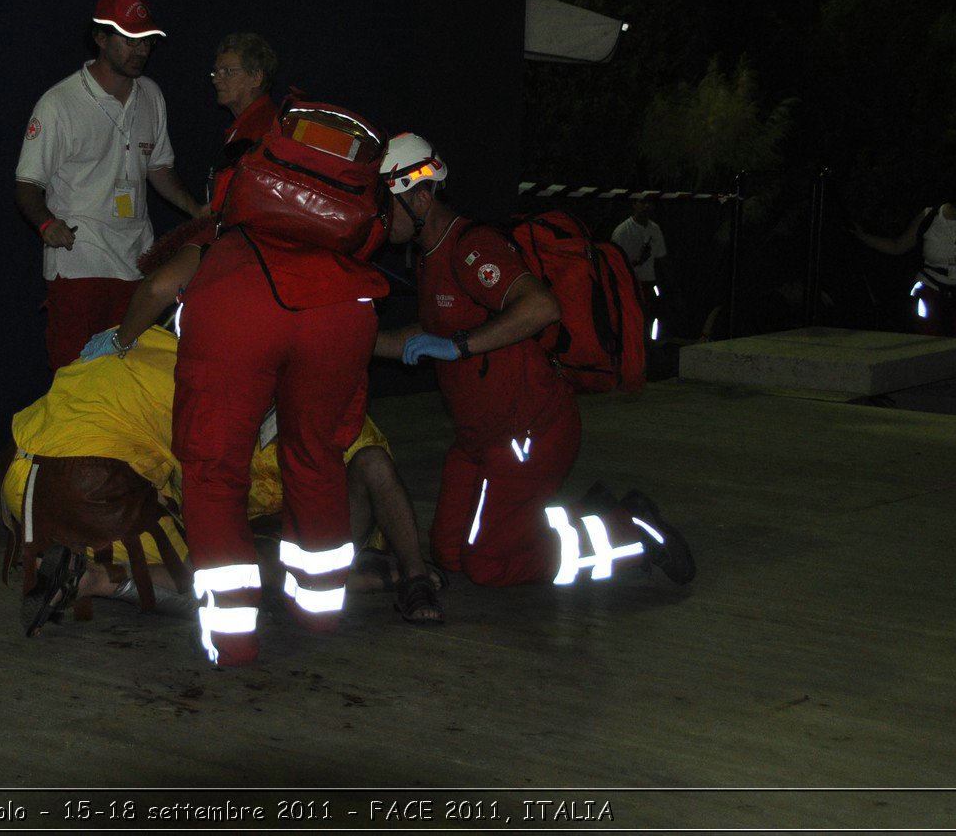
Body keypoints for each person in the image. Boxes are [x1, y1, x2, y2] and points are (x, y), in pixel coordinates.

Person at [374, 133, 694, 590]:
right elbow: (425, 334)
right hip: (478, 438)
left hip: (527, 432)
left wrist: (460, 345)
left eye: (386, 203)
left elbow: (541, 307)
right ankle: (579, 514)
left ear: (422, 197)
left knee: (488, 565)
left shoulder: (472, 248)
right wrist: (355, 339)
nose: (378, 216)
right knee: (447, 554)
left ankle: (631, 530)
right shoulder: (428, 255)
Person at [80, 231, 442, 624]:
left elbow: (367, 349)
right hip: (255, 526)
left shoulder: (312, 304)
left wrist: (460, 338)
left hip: (319, 520)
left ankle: (412, 575)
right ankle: (104, 579)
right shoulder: (196, 368)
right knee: (235, 562)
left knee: (370, 461)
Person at [172, 101, 391, 666]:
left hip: (241, 293)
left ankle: (233, 637)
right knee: (316, 456)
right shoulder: (330, 147)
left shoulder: (255, 137)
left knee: (214, 467)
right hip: (342, 305)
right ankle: (318, 613)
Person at [14, 0, 204, 370]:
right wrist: (47, 223)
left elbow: (159, 167)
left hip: (137, 262)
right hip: (80, 263)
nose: (141, 50)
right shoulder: (59, 103)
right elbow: (27, 183)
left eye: (146, 41)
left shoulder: (151, 95)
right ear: (100, 38)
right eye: (130, 40)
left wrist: (194, 208)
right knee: (76, 378)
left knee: (128, 380)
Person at [852, 179, 956, 341]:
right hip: (933, 289)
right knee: (928, 342)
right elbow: (898, 246)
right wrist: (864, 237)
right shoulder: (930, 217)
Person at [612, 196, 666, 341]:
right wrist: (638, 261)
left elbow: (661, 257)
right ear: (635, 204)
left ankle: (650, 344)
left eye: (650, 202)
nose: (646, 206)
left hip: (649, 282)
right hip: (629, 284)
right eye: (642, 202)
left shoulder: (654, 229)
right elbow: (615, 263)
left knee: (651, 316)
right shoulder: (622, 231)